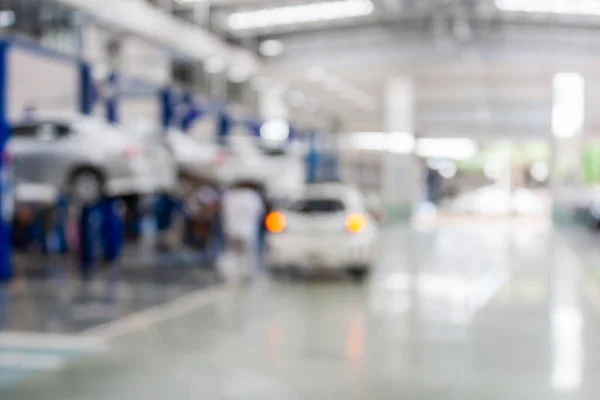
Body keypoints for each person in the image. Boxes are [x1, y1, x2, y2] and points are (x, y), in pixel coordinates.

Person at [220, 181, 265, 282]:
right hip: (247, 231)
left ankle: (232, 277)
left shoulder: (229, 196)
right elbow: (259, 213)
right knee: (247, 255)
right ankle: (246, 276)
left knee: (233, 254)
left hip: (231, 229)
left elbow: (223, 212)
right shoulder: (253, 197)